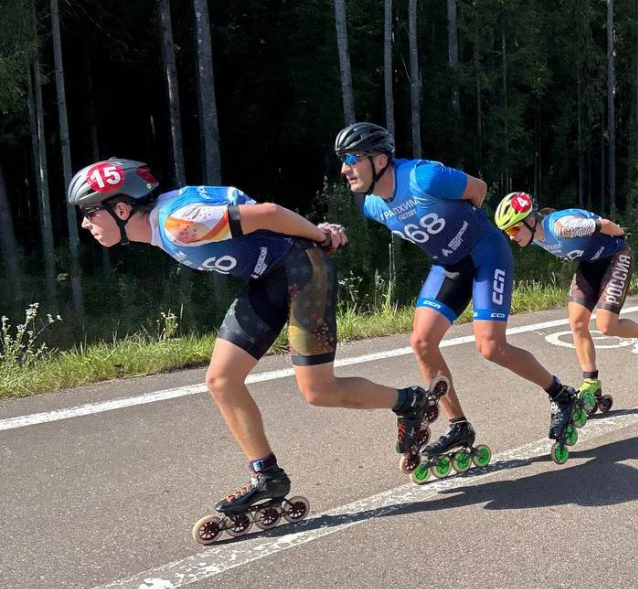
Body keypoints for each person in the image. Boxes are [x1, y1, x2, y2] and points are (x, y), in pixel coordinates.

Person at [67, 157, 444, 542]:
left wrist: (318, 234)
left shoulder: (179, 224)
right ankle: (267, 476)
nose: (86, 223)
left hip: (302, 270)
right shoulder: (167, 220)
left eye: (89, 213)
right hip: (270, 279)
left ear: (122, 207)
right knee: (221, 380)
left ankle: (408, 402)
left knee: (318, 391)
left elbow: (266, 213)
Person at [334, 123, 584, 473]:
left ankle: (562, 394)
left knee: (490, 347)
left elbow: (478, 190)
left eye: (350, 158)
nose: (344, 168)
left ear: (379, 160)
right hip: (449, 266)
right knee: (421, 342)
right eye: (342, 160)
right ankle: (458, 427)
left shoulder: (425, 177)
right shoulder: (372, 206)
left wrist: (467, 228)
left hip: (485, 254)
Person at [493, 192, 638, 413]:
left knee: (606, 325)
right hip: (589, 264)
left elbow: (602, 224)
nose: (511, 237)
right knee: (576, 322)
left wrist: (621, 233)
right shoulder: (535, 237)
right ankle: (591, 382)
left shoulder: (563, 228)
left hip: (616, 256)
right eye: (507, 231)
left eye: (514, 229)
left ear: (530, 220)